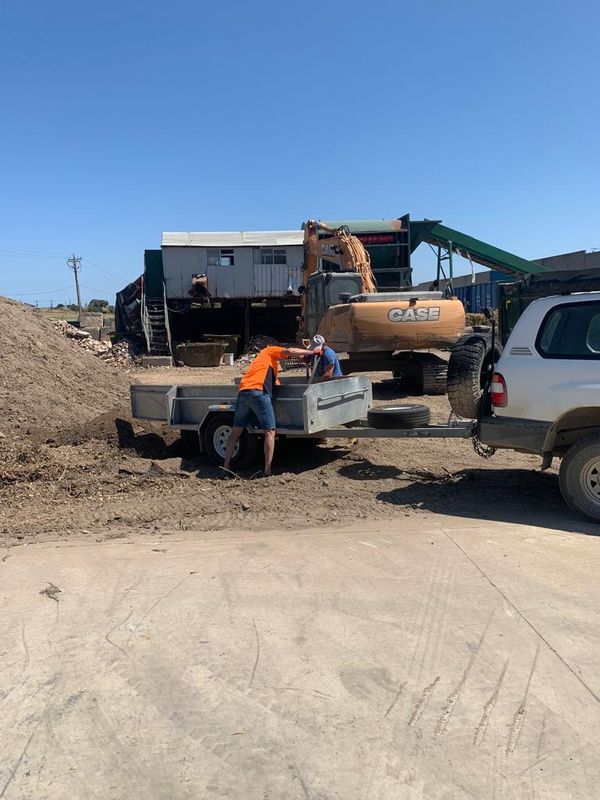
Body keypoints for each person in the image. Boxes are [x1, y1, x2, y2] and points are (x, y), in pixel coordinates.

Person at [223, 343, 320, 476]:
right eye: (281, 355)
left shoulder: (262, 363)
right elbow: (290, 350)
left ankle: (226, 466)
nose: (283, 357)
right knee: (269, 432)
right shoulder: (269, 351)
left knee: (235, 432)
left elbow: (275, 383)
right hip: (258, 392)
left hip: (243, 392)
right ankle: (267, 470)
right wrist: (311, 352)